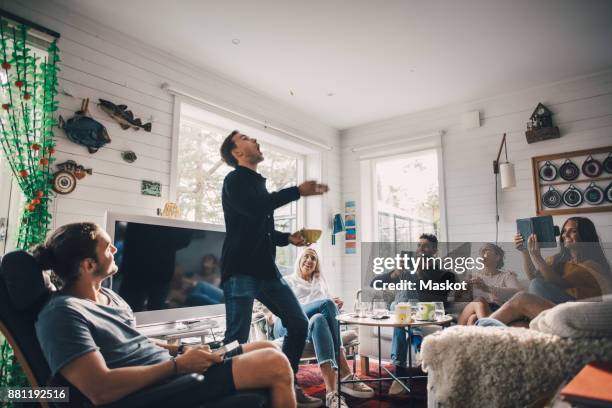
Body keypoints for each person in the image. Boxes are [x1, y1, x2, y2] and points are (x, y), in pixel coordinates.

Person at [33, 223, 296, 408]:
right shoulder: (62, 314)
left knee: (267, 345)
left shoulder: (110, 297)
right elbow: (100, 389)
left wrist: (181, 349)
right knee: (275, 363)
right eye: (108, 247)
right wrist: (179, 365)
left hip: (172, 369)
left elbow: (135, 340)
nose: (114, 250)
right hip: (156, 390)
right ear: (88, 265)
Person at [219, 130, 329, 408]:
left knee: (298, 322)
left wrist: (287, 238)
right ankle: (227, 397)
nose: (254, 139)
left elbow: (261, 225)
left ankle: (287, 384)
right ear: (237, 152)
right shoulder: (234, 180)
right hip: (240, 270)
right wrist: (297, 191)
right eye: (245, 138)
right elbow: (255, 208)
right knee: (235, 339)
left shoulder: (256, 184)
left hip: (266, 271)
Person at [271, 248, 374, 408]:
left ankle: (331, 393)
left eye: (313, 258)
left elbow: (325, 314)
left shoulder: (319, 283)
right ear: (299, 260)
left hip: (310, 326)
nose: (310, 260)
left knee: (319, 318)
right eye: (306, 256)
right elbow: (282, 307)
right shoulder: (288, 281)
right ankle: (345, 372)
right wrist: (325, 304)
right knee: (326, 304)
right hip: (287, 323)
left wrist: (335, 307)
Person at [372, 234, 456, 396]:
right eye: (418, 246)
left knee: (401, 314)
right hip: (402, 309)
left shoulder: (445, 273)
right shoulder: (406, 271)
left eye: (425, 246)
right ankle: (418, 345)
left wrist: (421, 274)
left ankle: (400, 376)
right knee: (402, 305)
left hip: (422, 310)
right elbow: (375, 282)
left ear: (435, 251)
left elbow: (440, 296)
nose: (420, 249)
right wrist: (395, 274)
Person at [514, 217, 612, 304]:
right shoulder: (557, 259)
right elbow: (532, 277)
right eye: (564, 231)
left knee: (535, 285)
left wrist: (537, 257)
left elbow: (559, 284)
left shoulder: (592, 265)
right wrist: (525, 251)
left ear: (585, 235)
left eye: (573, 231)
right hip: (556, 306)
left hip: (580, 307)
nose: (565, 235)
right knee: (532, 286)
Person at [457, 243, 521, 325]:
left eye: (486, 250)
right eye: (480, 251)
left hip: (495, 311)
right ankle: (489, 329)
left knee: (473, 319)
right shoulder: (471, 276)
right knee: (479, 301)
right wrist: (462, 289)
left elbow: (518, 293)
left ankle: (484, 329)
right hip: (472, 307)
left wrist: (487, 288)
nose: (481, 252)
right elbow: (459, 300)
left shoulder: (507, 276)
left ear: (497, 257)